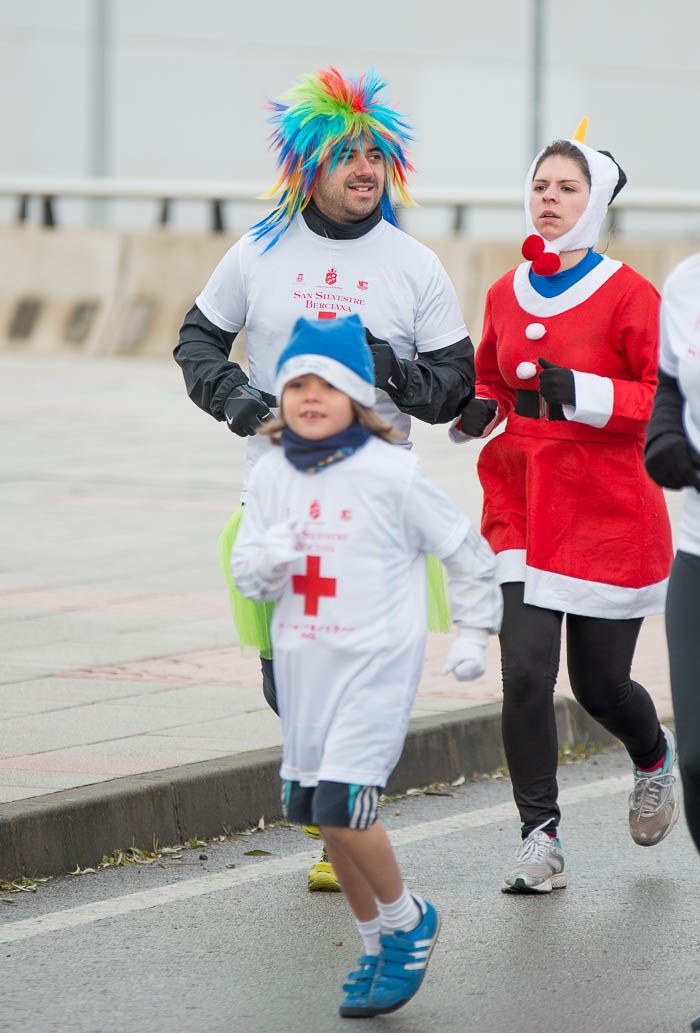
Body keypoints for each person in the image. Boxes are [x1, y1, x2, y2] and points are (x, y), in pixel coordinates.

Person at [174, 66, 474, 891]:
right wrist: (236, 397)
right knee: (285, 676)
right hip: (273, 497)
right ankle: (341, 805)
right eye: (346, 155)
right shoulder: (259, 250)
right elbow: (197, 342)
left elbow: (458, 385)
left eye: (375, 155)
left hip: (374, 511)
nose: (365, 169)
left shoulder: (413, 265)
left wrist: (391, 371)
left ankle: (345, 821)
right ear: (311, 167)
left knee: (351, 672)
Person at [231, 314, 502, 1017]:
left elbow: (465, 551)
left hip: (375, 664)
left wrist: (473, 632)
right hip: (305, 668)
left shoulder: (392, 471)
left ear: (357, 394)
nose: (310, 396)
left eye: (327, 383)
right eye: (296, 383)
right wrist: (270, 559)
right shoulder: (269, 473)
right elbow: (248, 575)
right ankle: (376, 939)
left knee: (346, 805)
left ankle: (410, 920)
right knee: (319, 811)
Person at [450, 118, 679, 894]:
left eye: (567, 188)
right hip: (522, 498)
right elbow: (490, 378)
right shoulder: (503, 291)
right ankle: (539, 836)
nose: (549, 199)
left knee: (599, 685)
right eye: (541, 186)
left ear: (595, 203)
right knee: (524, 672)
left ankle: (652, 755)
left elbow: (659, 399)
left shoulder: (631, 295)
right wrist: (476, 409)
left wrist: (580, 392)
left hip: (609, 508)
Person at [644, 254, 700, 1033]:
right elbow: (669, 393)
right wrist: (663, 441)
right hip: (698, 551)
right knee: (699, 761)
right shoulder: (688, 282)